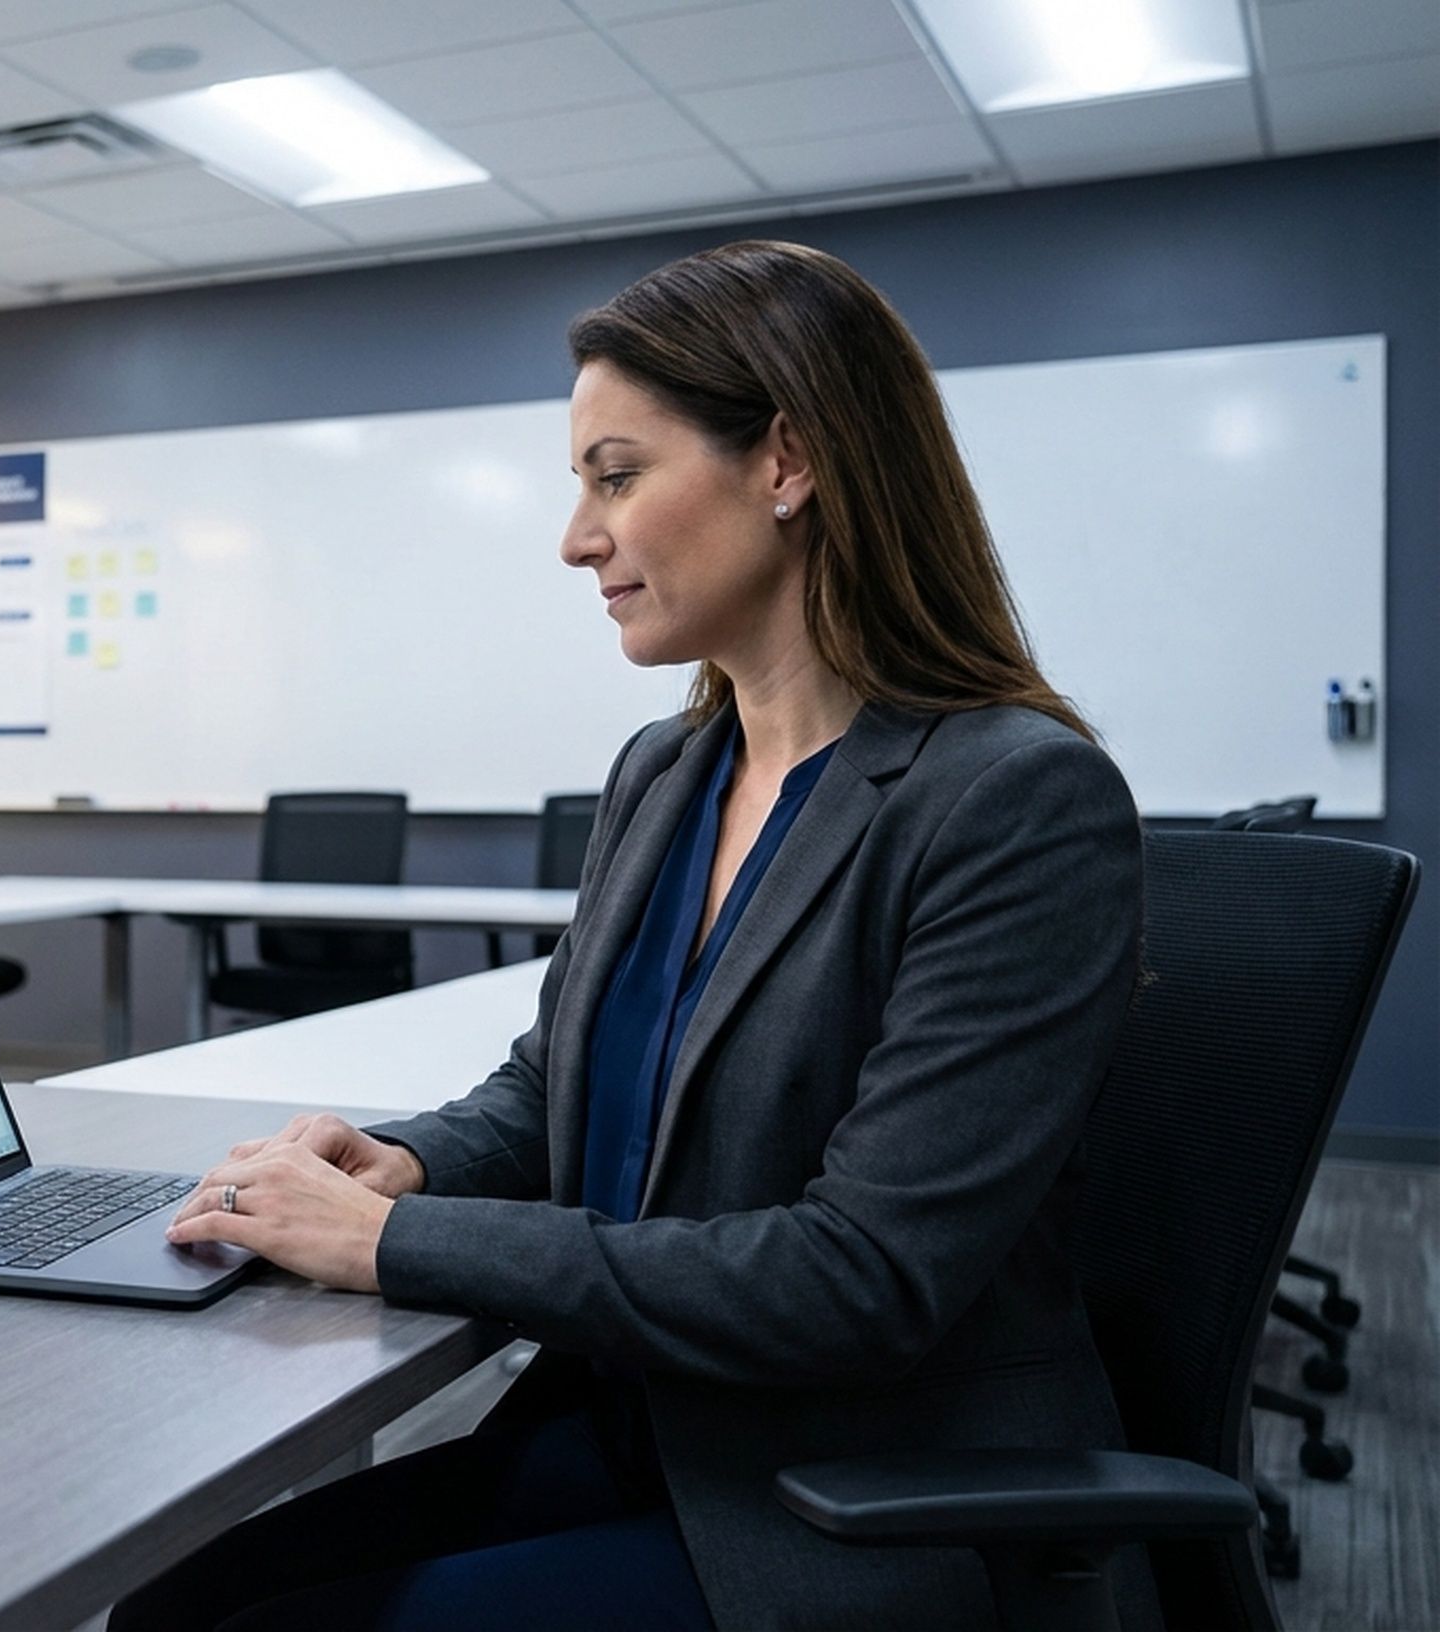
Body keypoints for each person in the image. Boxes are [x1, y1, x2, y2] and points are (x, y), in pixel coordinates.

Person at [115, 241, 1151, 1631]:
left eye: (615, 476)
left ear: (785, 462)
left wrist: (391, 1244)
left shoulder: (1014, 800)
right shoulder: (667, 776)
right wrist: (407, 1160)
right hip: (662, 1422)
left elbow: (861, 1277)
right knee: (173, 1603)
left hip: (865, 1490)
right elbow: (556, 1085)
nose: (575, 537)